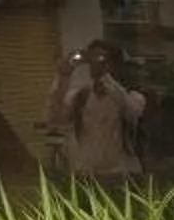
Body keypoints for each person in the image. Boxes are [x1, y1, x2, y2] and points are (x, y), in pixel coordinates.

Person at [43, 40, 148, 179]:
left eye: (103, 59)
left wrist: (106, 77)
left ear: (115, 65)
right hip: (87, 174)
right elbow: (54, 118)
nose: (95, 64)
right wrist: (63, 77)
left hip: (121, 173)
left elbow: (132, 112)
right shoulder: (81, 96)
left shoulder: (132, 96)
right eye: (93, 59)